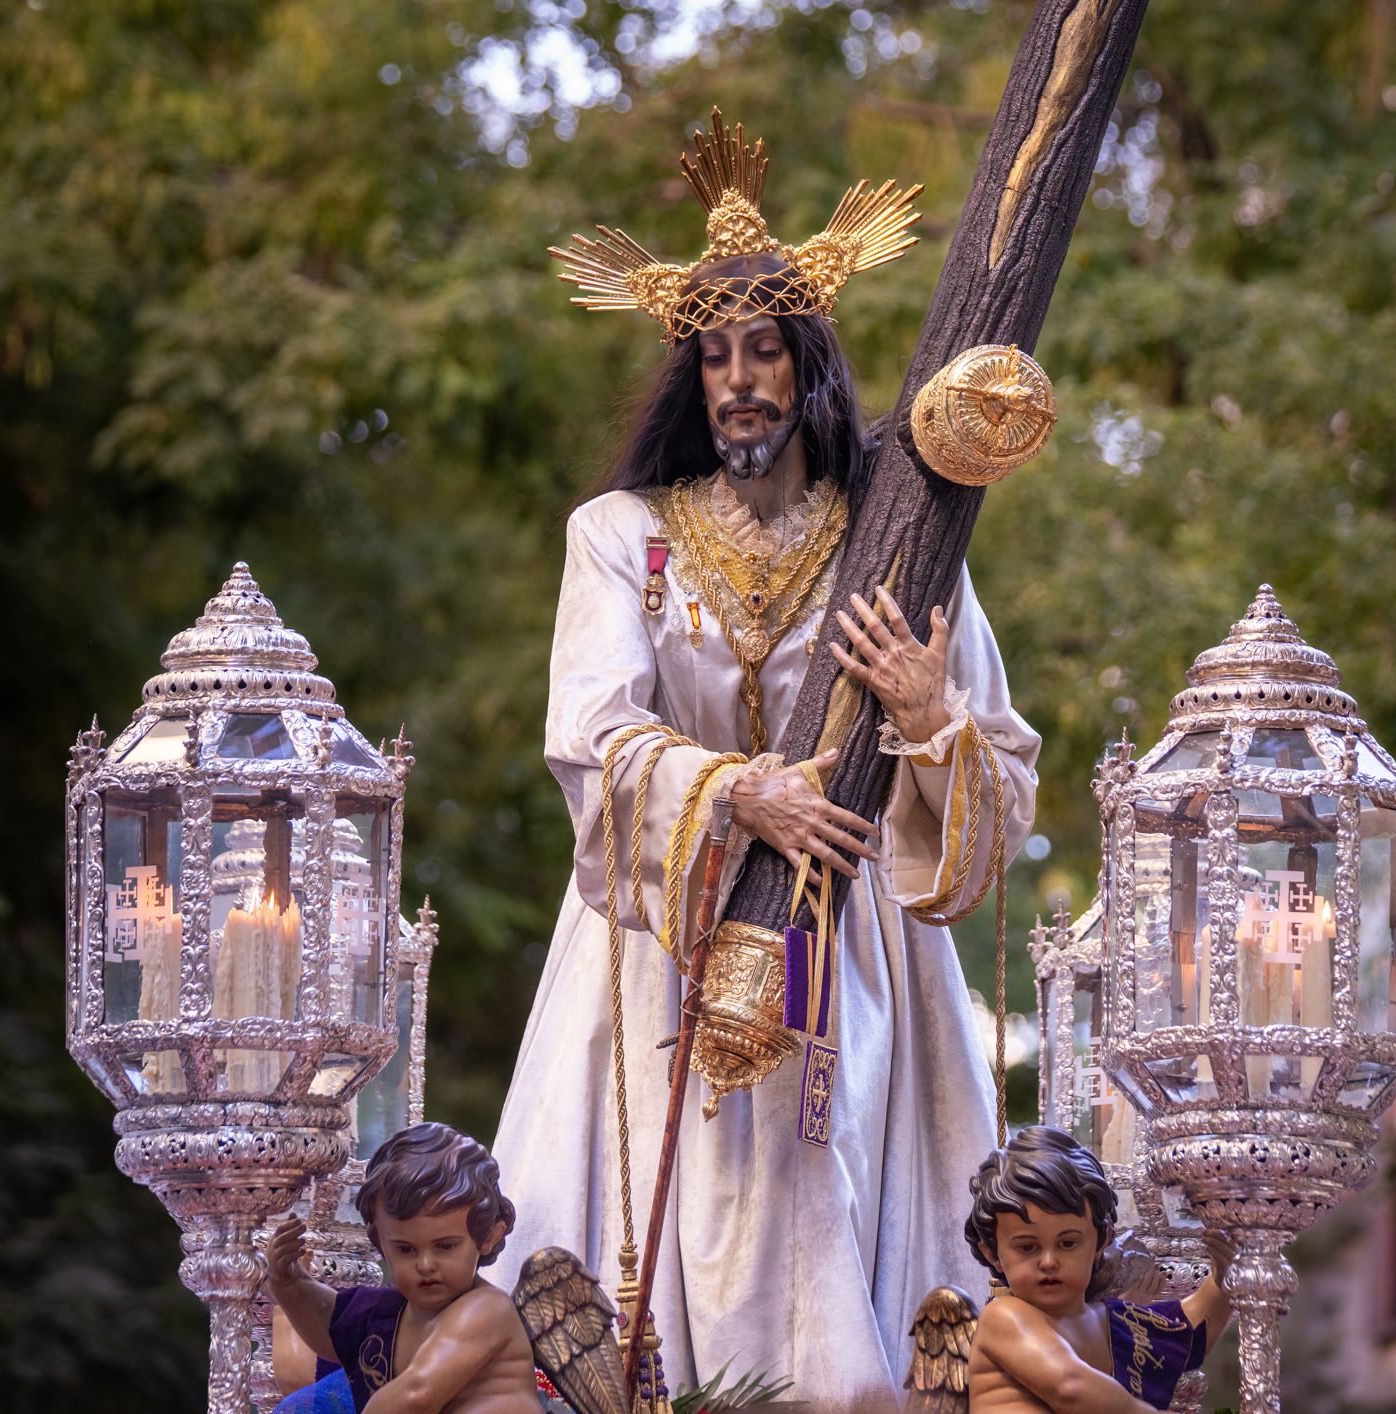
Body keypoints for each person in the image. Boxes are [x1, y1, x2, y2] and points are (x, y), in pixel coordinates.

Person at [491, 110, 1041, 1409]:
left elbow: (1002, 771)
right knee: (650, 1211)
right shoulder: (619, 533)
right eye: (715, 353)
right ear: (693, 376)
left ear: (808, 367)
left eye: (766, 350)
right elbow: (589, 727)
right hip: (661, 933)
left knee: (827, 1186)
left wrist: (926, 715)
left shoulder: (895, 537)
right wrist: (739, 788)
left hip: (849, 935)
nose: (740, 378)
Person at [268, 1123, 542, 1414]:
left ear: (488, 1236)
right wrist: (290, 1283)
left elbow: (417, 1395)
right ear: (380, 1241)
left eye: (445, 1246)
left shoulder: (486, 1310)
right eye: (406, 1249)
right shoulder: (393, 1313)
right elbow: (332, 1327)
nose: (425, 1265)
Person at [964, 1127, 1233, 1413]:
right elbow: (1071, 1388)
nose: (1048, 1262)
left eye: (1067, 1243)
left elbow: (1185, 1333)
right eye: (1028, 1247)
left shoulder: (1109, 1320)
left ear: (1101, 1241)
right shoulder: (1004, 1317)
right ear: (992, 1253)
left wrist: (1222, 1283)